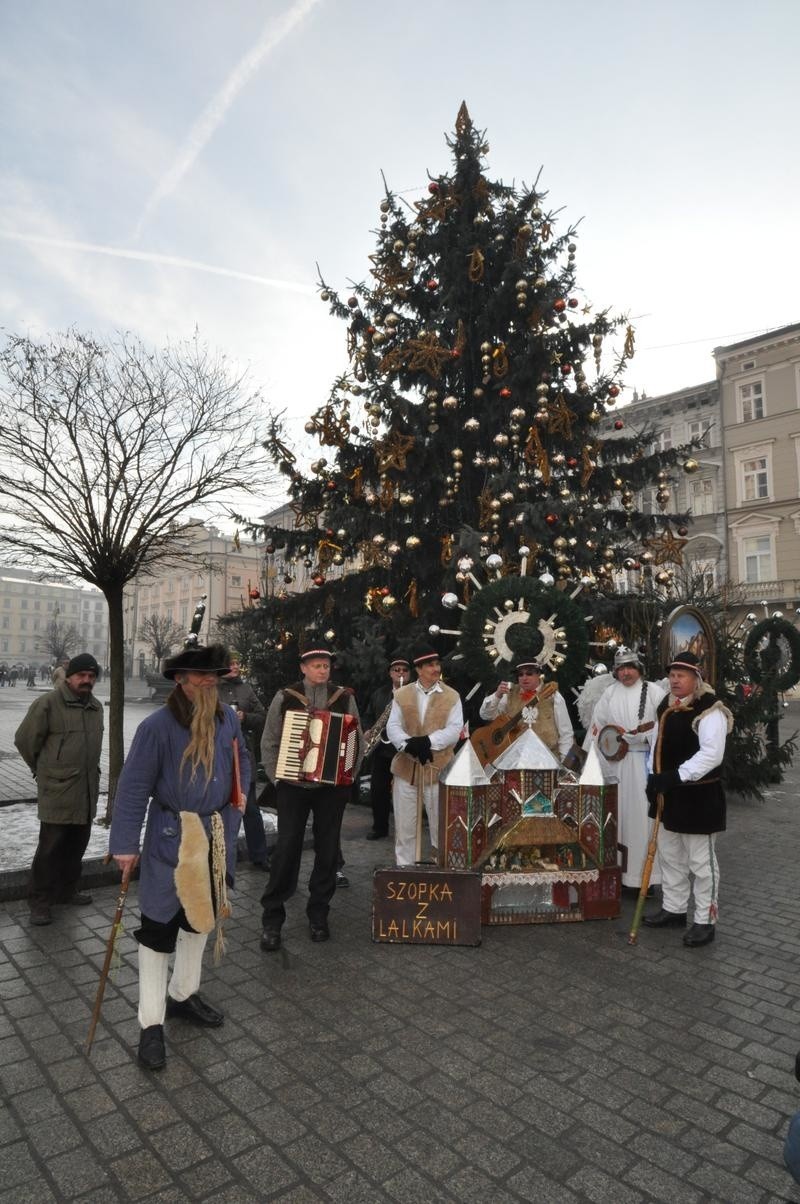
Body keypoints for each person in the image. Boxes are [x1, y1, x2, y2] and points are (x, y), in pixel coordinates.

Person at [109, 642, 248, 1070]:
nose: (210, 682)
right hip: (170, 839)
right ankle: (151, 1023)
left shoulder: (227, 721)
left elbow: (242, 765)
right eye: (200, 675)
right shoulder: (157, 727)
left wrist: (236, 813)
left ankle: (183, 994)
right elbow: (133, 788)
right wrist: (125, 844)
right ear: (180, 679)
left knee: (198, 920)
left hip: (215, 836)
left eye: (215, 676)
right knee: (157, 930)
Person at [259, 646, 362, 951]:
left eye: (326, 666)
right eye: (316, 665)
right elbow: (270, 741)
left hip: (332, 789)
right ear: (303, 668)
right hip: (293, 786)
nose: (322, 670)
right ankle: (272, 918)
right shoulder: (287, 696)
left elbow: (357, 737)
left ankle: (319, 913)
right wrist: (279, 778)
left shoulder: (343, 698)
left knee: (327, 850)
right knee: (287, 848)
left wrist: (349, 775)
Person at [642, 651, 732, 948]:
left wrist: (676, 776)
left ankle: (705, 920)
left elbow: (711, 754)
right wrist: (652, 779)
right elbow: (655, 744)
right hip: (669, 797)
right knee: (671, 856)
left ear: (697, 678)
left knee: (701, 864)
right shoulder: (666, 707)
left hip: (699, 797)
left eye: (681, 675)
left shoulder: (710, 709)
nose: (674, 680)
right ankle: (675, 909)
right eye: (672, 675)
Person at [14, 652, 104, 927]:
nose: (86, 680)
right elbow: (24, 740)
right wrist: (43, 771)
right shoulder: (48, 704)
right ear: (69, 676)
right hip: (58, 791)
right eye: (81, 676)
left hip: (86, 790)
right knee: (50, 849)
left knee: (77, 845)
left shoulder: (96, 707)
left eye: (91, 676)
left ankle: (67, 890)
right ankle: (40, 902)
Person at [584, 647, 666, 892]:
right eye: (621, 669)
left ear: (639, 669)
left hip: (643, 766)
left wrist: (644, 739)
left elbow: (665, 726)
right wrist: (592, 762)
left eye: (630, 667)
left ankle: (645, 878)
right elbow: (596, 728)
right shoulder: (609, 693)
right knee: (617, 818)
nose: (626, 673)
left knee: (642, 820)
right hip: (615, 768)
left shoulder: (654, 692)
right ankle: (618, 875)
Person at [386, 647, 463, 867]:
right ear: (419, 669)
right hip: (405, 770)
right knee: (405, 827)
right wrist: (407, 745)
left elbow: (454, 729)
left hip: (438, 770)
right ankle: (405, 870)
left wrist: (428, 742)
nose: (436, 669)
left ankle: (441, 870)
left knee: (441, 826)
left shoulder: (452, 696)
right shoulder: (402, 694)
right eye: (430, 665)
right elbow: (393, 726)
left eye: (437, 664)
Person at [217, 650, 269, 869]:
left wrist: (245, 717)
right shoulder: (211, 688)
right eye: (231, 663)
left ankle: (259, 856)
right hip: (218, 757)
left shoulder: (246, 689)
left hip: (243, 757)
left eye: (238, 663)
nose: (236, 667)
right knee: (217, 809)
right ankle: (218, 856)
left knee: (251, 809)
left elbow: (264, 717)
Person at [478, 660, 573, 760]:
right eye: (520, 674)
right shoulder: (509, 694)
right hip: (514, 760)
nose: (524, 678)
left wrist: (564, 763)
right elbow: (486, 715)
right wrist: (497, 695)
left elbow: (565, 733)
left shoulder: (553, 696)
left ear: (538, 674)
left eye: (529, 673)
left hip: (547, 759)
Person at [363, 655, 412, 840]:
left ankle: (405, 830)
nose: (400, 673)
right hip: (382, 750)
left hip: (404, 751)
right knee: (378, 790)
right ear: (390, 673)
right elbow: (368, 714)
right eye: (396, 670)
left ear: (410, 674)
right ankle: (379, 828)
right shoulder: (380, 694)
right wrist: (368, 729)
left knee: (405, 792)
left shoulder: (416, 694)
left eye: (404, 670)